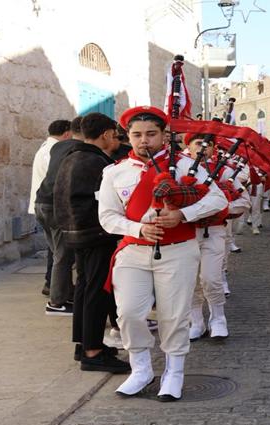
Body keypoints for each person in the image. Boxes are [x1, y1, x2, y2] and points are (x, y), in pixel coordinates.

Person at [98, 106, 227, 401]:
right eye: (137, 135)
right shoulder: (115, 172)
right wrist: (137, 229)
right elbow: (107, 217)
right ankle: (141, 369)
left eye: (151, 134)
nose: (144, 141)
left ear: (165, 136)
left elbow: (218, 199)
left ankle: (174, 372)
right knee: (128, 313)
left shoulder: (183, 166)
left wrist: (184, 214)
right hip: (133, 251)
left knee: (174, 315)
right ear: (127, 137)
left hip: (177, 251)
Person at [53, 112, 129, 373]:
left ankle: (85, 344)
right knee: (97, 291)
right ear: (106, 134)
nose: (117, 141)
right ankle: (93, 352)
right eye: (116, 136)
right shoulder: (97, 162)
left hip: (76, 233)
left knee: (85, 289)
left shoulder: (71, 156)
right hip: (95, 234)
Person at [181, 133, 250, 341]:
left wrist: (221, 209)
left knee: (211, 277)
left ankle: (218, 318)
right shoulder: (180, 169)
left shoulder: (225, 171)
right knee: (190, 279)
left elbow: (244, 201)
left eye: (208, 145)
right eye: (198, 144)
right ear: (189, 147)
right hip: (185, 231)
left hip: (214, 230)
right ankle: (197, 321)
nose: (203, 148)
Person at [35, 116, 83, 316]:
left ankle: (63, 294)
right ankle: (56, 303)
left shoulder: (57, 147)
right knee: (62, 257)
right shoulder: (76, 150)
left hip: (42, 204)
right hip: (54, 206)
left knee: (58, 255)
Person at [29, 119, 71, 296]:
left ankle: (53, 285)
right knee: (58, 253)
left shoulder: (44, 148)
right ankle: (55, 290)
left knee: (53, 249)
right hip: (50, 205)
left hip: (41, 205)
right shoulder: (52, 151)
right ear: (67, 133)